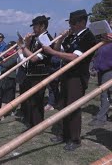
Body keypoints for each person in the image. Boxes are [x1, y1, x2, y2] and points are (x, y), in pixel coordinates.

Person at [43, 9, 96, 151]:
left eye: (73, 23)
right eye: (70, 22)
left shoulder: (88, 37)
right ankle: (63, 134)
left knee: (73, 107)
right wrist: (60, 38)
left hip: (77, 76)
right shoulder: (72, 36)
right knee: (63, 105)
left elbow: (75, 57)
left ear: (82, 22)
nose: (70, 25)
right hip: (66, 74)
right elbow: (58, 48)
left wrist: (54, 53)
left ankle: (74, 139)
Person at [17, 15, 53, 129]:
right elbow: (28, 52)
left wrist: (23, 47)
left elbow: (34, 58)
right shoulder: (35, 37)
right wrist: (26, 43)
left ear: (42, 26)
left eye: (35, 26)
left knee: (37, 100)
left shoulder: (46, 38)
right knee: (29, 100)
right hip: (31, 73)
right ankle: (30, 122)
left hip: (39, 74)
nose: (33, 29)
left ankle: (37, 124)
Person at [88, 25, 112, 126]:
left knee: (104, 94)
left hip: (109, 70)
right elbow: (98, 55)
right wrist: (94, 67)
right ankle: (103, 114)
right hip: (102, 70)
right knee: (104, 93)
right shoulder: (104, 41)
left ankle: (101, 118)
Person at [0, 41, 18, 117]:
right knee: (2, 93)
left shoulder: (15, 56)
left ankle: (7, 111)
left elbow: (6, 64)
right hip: (4, 77)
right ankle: (4, 110)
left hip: (10, 77)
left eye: (9, 47)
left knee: (9, 95)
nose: (8, 49)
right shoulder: (7, 55)